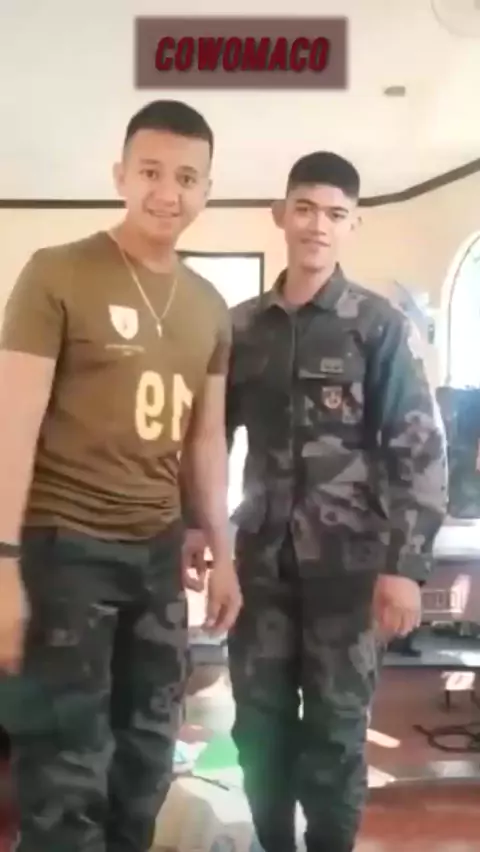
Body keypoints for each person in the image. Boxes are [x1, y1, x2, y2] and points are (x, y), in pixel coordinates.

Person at [0, 99, 241, 852]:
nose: (168, 192)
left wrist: (223, 549)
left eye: (187, 177)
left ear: (206, 189)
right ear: (120, 176)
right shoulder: (58, 272)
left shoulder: (209, 306)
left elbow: (205, 440)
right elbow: (11, 425)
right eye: (150, 172)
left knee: (145, 760)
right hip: (64, 548)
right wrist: (3, 566)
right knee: (66, 770)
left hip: (156, 556)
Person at [224, 152, 448, 852]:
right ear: (281, 215)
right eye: (305, 209)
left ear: (353, 224)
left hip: (349, 573)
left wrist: (406, 567)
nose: (318, 226)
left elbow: (417, 446)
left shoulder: (377, 326)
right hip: (261, 566)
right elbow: (206, 437)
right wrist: (200, 532)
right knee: (258, 727)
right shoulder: (241, 327)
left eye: (335, 213)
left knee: (336, 732)